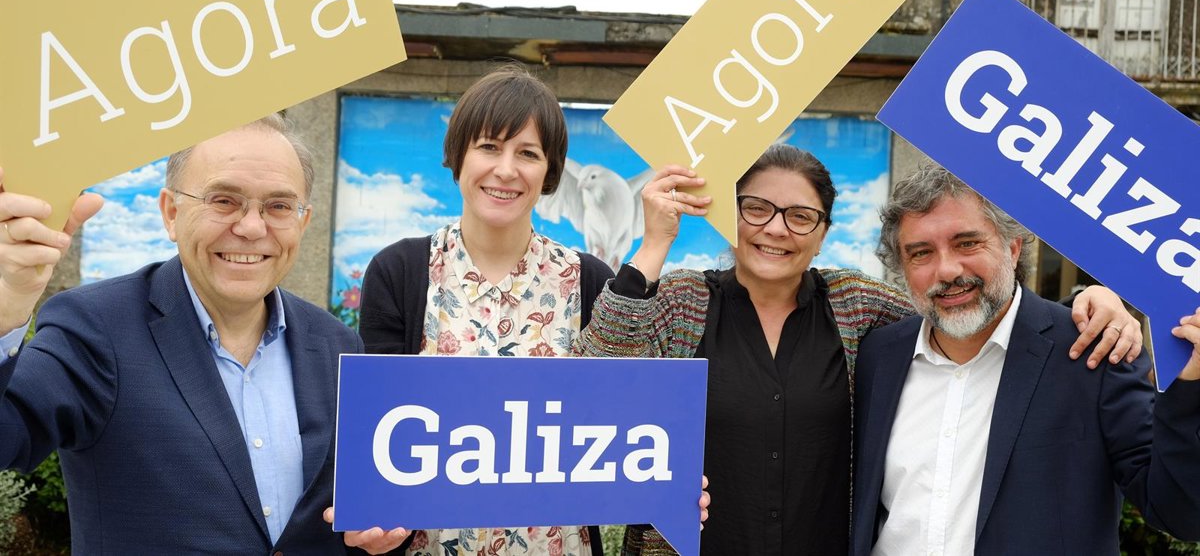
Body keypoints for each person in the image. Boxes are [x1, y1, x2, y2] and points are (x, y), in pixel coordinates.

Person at [577, 144, 1142, 556]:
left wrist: (1087, 304)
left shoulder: (857, 304)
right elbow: (592, 379)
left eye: (801, 216)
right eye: (757, 208)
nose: (777, 229)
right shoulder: (681, 300)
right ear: (734, 217)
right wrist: (654, 243)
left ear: (822, 233)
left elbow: (966, 311)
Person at [0, 115, 405, 554]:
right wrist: (6, 308)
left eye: (278, 206)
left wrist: (372, 537)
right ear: (171, 213)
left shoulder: (336, 344)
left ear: (302, 223)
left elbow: (348, 518)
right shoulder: (95, 327)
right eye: (224, 200)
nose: (252, 227)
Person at [852, 164, 1200, 555]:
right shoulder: (876, 357)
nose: (947, 270)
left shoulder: (1095, 349)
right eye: (921, 253)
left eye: (967, 243)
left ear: (1013, 247)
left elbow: (1181, 513)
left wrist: (1190, 385)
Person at [358, 65, 614, 556]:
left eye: (528, 153)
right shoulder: (399, 271)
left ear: (550, 172)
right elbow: (375, 431)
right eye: (489, 147)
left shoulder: (589, 279)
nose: (506, 170)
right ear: (458, 155)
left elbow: (615, 424)